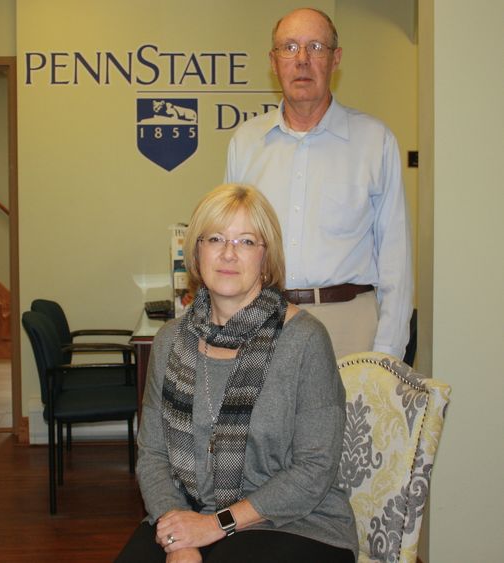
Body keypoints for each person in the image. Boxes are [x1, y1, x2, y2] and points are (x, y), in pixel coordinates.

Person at [116, 184, 358, 562]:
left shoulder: (305, 341)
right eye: (215, 238)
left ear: (266, 257)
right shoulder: (169, 343)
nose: (228, 253)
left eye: (246, 241)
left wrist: (213, 525)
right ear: (195, 252)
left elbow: (314, 469)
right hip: (190, 514)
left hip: (297, 524)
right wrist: (180, 535)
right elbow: (152, 454)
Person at [225, 8, 413, 360]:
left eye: (315, 47)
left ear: (335, 58)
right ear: (273, 60)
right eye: (289, 47)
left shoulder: (375, 141)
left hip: (350, 328)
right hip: (264, 321)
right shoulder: (246, 143)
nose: (301, 60)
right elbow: (231, 249)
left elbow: (395, 262)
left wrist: (386, 355)